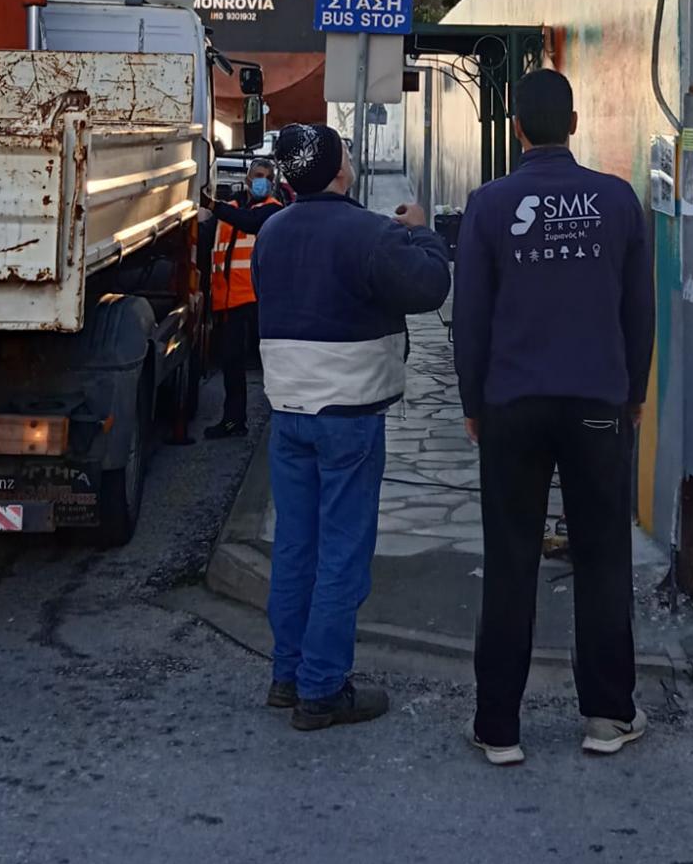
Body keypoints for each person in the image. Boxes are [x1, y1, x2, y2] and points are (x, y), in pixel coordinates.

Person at [452, 67, 655, 766]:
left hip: (512, 404)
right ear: (573, 124)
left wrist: (473, 402)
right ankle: (607, 714)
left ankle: (498, 727)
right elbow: (638, 309)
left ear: (515, 130)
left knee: (510, 559)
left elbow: (470, 317)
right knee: (603, 556)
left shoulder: (488, 205)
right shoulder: (617, 200)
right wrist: (633, 392)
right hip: (598, 402)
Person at [254, 121, 450, 731]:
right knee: (342, 551)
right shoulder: (371, 232)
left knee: (295, 547)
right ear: (341, 169)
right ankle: (322, 688)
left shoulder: (271, 232)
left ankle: (287, 675)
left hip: (288, 411)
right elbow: (430, 286)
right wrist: (422, 231)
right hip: (350, 413)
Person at [199, 157, 283, 440]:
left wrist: (212, 205)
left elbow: (250, 223)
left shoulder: (272, 211)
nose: (262, 182)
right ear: (247, 179)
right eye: (258, 175)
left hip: (259, 299)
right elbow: (207, 241)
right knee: (231, 363)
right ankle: (234, 421)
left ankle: (283, 419)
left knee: (272, 363)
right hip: (230, 301)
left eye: (267, 178)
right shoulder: (232, 209)